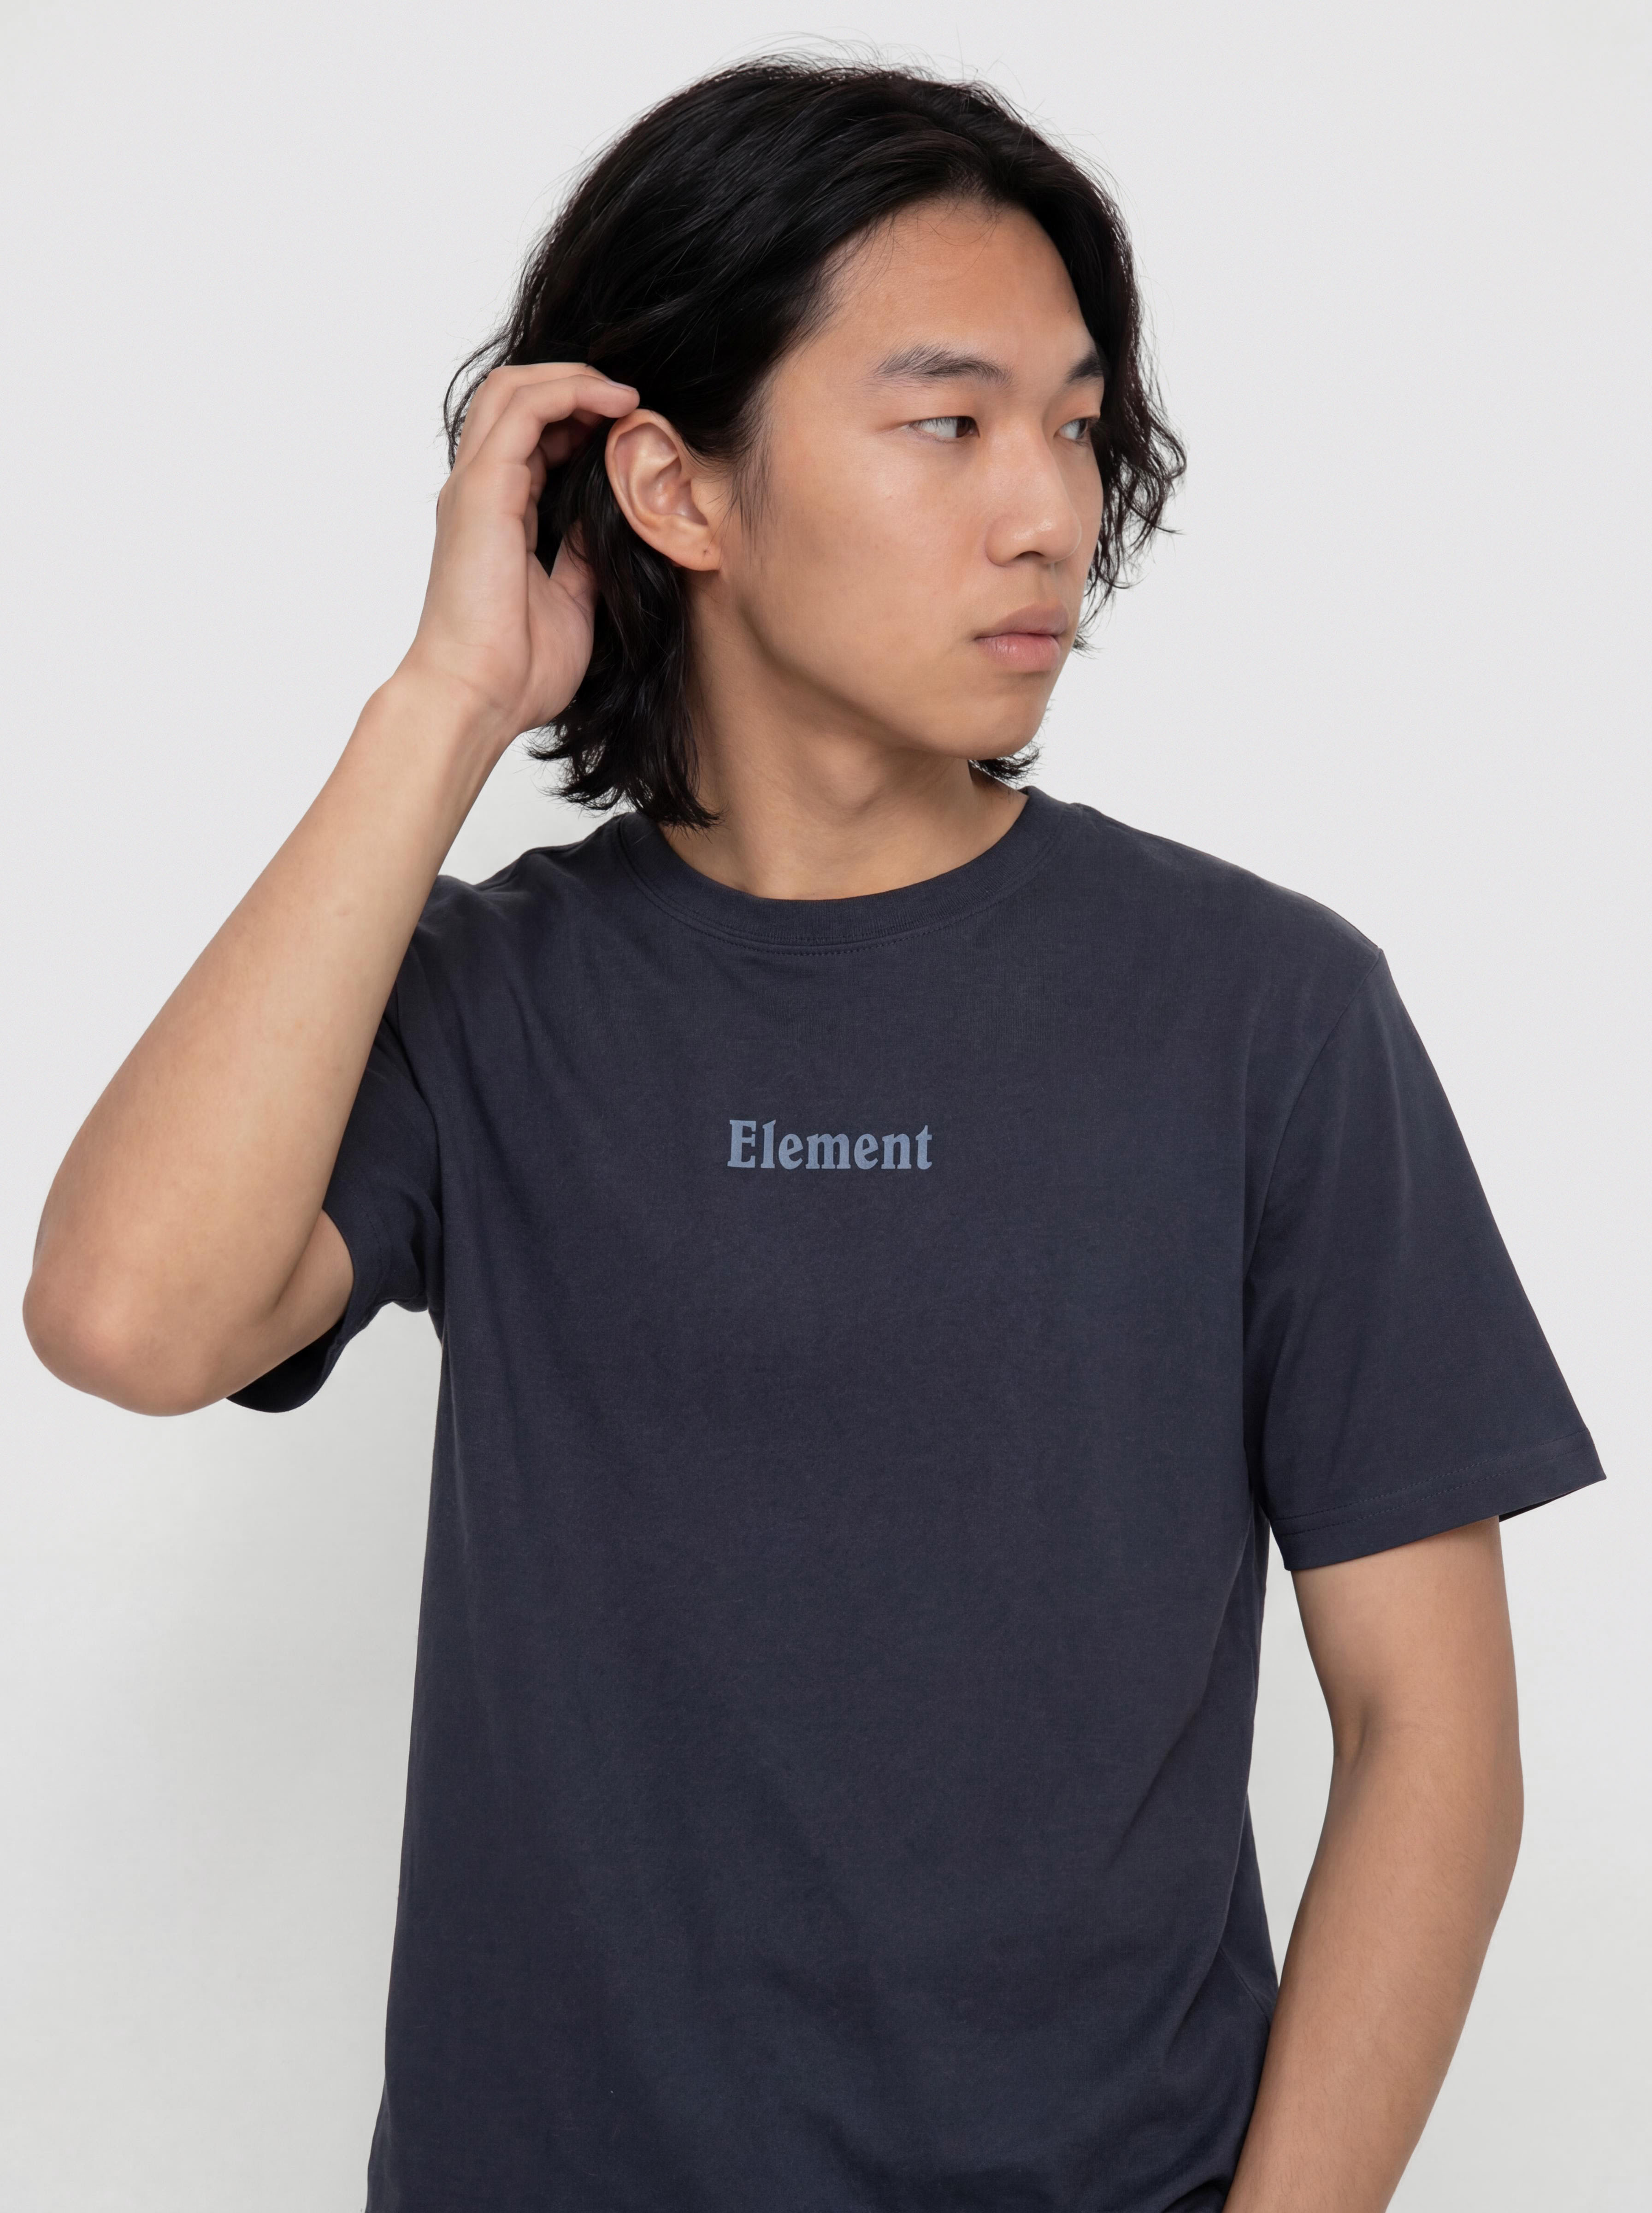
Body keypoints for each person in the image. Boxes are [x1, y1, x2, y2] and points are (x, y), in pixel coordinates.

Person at [22, 55, 1605, 2213]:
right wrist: (445, 701)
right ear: (675, 489)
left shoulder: (1261, 1012)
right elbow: (129, 1319)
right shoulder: (489, 999)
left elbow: (1434, 1742)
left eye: (1074, 427)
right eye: (947, 423)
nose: (1046, 513)